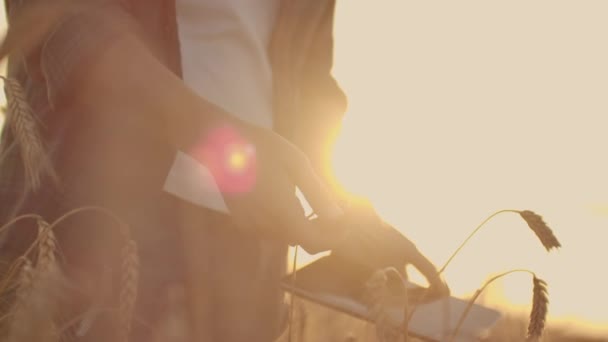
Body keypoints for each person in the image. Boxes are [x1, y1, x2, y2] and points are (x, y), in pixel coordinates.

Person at [0, 1, 449, 341]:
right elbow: (63, 17)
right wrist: (223, 149)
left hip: (250, 251)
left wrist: (341, 214)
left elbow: (308, 78)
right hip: (95, 218)